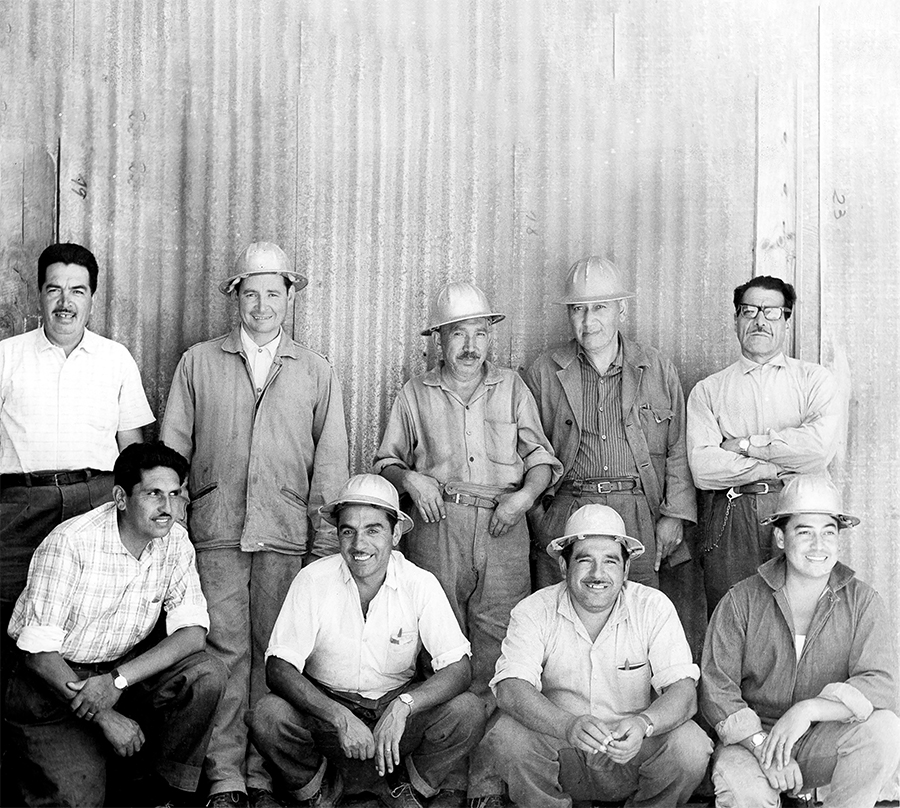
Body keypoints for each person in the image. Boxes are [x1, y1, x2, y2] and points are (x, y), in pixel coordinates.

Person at [160, 242, 350, 808]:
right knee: (223, 654)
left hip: (287, 533)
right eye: (251, 293)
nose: (262, 305)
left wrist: (322, 545)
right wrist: (174, 528)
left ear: (290, 297)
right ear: (236, 298)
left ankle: (264, 775)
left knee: (277, 656)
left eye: (273, 293)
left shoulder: (316, 371)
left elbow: (331, 465)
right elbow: (172, 451)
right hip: (216, 532)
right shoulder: (198, 362)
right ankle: (226, 780)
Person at [4, 442, 226, 807]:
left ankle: (160, 794)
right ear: (121, 498)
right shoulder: (71, 543)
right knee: (78, 801)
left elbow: (193, 633)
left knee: (206, 674)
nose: (167, 508)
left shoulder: (174, 541)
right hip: (52, 688)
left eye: (175, 495)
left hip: (118, 679)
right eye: (154, 494)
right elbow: (38, 656)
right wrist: (106, 717)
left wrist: (117, 681)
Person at [247, 474, 486, 808]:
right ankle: (317, 791)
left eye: (373, 530)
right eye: (349, 531)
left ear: (396, 533)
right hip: (328, 714)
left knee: (468, 710)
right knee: (268, 714)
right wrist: (338, 715)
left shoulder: (419, 583)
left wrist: (405, 706)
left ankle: (407, 791)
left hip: (394, 713)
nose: (359, 545)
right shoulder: (313, 579)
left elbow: (459, 669)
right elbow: (279, 668)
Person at [373, 281, 562, 701]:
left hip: (504, 524)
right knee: (437, 637)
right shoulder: (414, 393)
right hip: (439, 523)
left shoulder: (512, 387)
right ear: (439, 339)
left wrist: (524, 498)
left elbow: (541, 460)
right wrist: (410, 479)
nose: (470, 345)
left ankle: (488, 746)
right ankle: (441, 743)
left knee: (503, 637)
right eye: (458, 333)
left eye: (479, 333)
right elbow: (385, 462)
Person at [469, 504, 711, 808]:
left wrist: (643, 725)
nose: (598, 574)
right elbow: (511, 688)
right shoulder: (534, 610)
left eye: (610, 561)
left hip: (632, 751)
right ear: (563, 566)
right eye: (585, 560)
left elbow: (684, 693)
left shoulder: (653, 607)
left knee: (690, 745)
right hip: (563, 749)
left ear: (625, 569)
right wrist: (567, 726)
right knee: (508, 736)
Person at [700, 475, 900, 808]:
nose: (818, 546)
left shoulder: (863, 601)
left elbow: (881, 683)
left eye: (829, 533)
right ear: (780, 537)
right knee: (741, 790)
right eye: (805, 532)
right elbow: (716, 688)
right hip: (751, 742)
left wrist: (807, 710)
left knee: (884, 728)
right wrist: (765, 747)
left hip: (822, 738)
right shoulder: (742, 600)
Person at [1, 242, 153, 653]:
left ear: (92, 297)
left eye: (77, 290)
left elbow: (132, 452)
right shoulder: (6, 357)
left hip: (95, 502)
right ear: (40, 294)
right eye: (55, 290)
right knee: (10, 613)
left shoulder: (116, 359)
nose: (65, 302)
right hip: (20, 505)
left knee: (87, 613)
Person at [525, 256, 695, 591]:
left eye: (599, 307)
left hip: (637, 511)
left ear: (622, 310)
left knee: (637, 614)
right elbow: (529, 452)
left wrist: (675, 514)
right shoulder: (545, 372)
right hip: (568, 510)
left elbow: (678, 446)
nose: (588, 321)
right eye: (578, 309)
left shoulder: (657, 368)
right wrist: (541, 522)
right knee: (564, 613)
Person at [687, 275, 842, 614]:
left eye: (771, 312)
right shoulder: (708, 391)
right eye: (749, 311)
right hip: (732, 515)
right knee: (734, 615)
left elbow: (817, 449)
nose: (759, 320)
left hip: (799, 512)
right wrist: (781, 463)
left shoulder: (814, 380)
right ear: (736, 320)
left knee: (801, 615)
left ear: (787, 320)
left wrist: (743, 445)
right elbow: (703, 469)